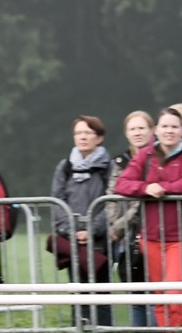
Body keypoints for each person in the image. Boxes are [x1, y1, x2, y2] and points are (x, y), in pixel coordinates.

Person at [115, 107, 182, 328]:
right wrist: (146, 188)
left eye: (174, 126)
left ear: (181, 130)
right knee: (159, 297)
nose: (169, 131)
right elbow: (121, 183)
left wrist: (163, 188)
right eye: (165, 126)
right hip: (150, 237)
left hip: (178, 238)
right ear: (157, 130)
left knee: (174, 293)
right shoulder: (146, 155)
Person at [50, 115, 113, 326]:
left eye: (87, 133)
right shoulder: (65, 167)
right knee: (78, 293)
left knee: (101, 296)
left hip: (101, 242)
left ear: (100, 137)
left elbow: (111, 204)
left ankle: (104, 329)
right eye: (78, 133)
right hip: (73, 243)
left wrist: (92, 230)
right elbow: (57, 201)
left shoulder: (109, 167)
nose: (82, 137)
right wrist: (71, 231)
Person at [107, 110, 156, 327]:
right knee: (135, 297)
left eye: (141, 128)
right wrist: (112, 224)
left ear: (152, 131)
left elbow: (141, 201)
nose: (137, 133)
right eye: (132, 129)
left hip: (154, 233)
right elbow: (111, 195)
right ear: (126, 133)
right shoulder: (120, 160)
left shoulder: (159, 158)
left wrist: (119, 225)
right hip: (126, 238)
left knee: (156, 296)